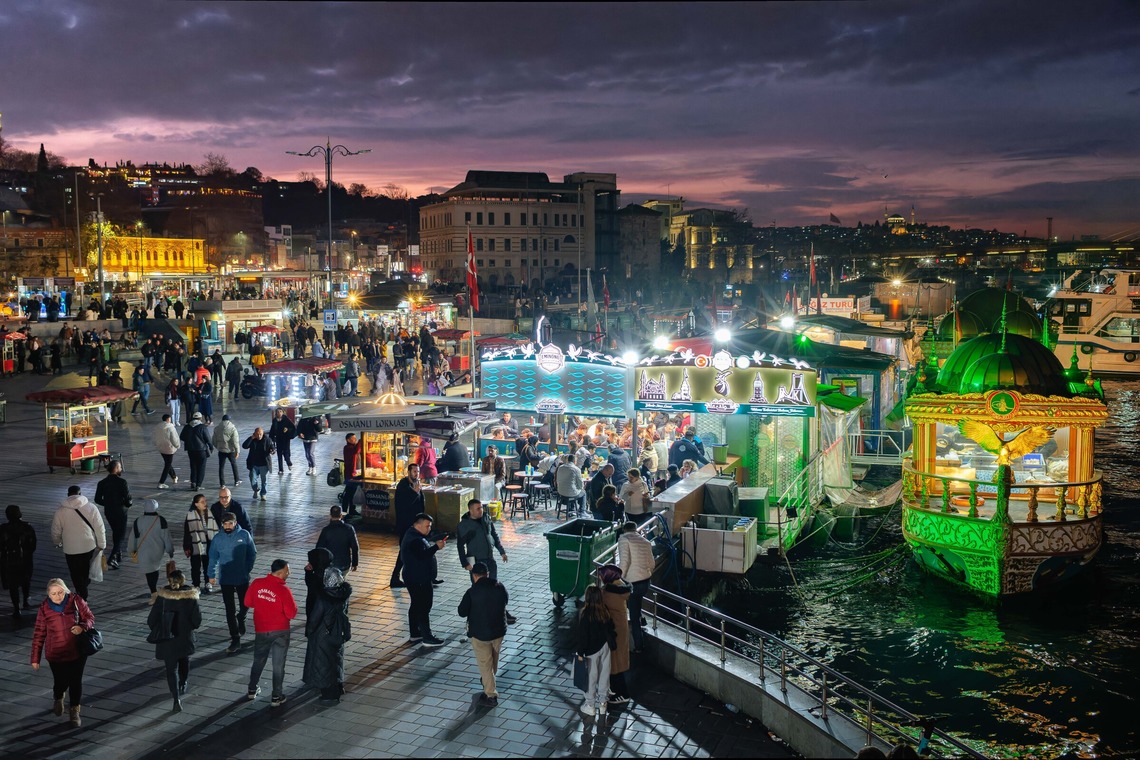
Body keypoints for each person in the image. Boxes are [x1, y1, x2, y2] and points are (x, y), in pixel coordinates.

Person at [31, 578, 95, 727]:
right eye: (53, 593)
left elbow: (90, 617)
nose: (57, 596)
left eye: (60, 592)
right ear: (48, 594)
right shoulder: (44, 609)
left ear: (65, 591)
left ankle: (74, 711)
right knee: (60, 681)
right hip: (56, 654)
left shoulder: (76, 600)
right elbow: (39, 634)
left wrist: (82, 627)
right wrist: (35, 658)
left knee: (75, 681)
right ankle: (58, 696)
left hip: (77, 651)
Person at [244, 559, 297, 707]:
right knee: (278, 665)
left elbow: (248, 602)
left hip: (262, 630)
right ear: (280, 573)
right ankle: (276, 696)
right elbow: (291, 614)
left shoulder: (257, 583)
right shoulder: (284, 590)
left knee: (258, 660)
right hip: (280, 631)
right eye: (287, 570)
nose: (289, 573)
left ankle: (252, 689)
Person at [147, 569, 202, 713]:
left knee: (171, 670)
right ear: (182, 581)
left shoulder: (162, 597)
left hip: (167, 639)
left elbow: (151, 620)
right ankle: (183, 682)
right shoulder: (190, 597)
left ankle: (176, 698)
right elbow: (197, 622)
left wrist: (162, 627)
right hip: (184, 638)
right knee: (184, 660)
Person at [303, 548, 352, 705]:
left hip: (323, 632)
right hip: (338, 630)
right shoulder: (341, 593)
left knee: (323, 662)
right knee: (336, 659)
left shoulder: (323, 598)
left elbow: (315, 618)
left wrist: (310, 631)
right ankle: (338, 687)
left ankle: (329, 694)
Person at [458, 561, 508, 707]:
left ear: (474, 576)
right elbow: (506, 600)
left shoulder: (471, 592)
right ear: (487, 574)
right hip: (499, 631)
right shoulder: (499, 586)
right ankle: (487, 681)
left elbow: (461, 612)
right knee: (493, 660)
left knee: (485, 664)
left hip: (480, 634)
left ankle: (491, 695)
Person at [208, 512, 257, 654]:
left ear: (235, 523)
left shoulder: (244, 535)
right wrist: (211, 575)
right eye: (225, 523)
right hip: (226, 579)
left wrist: (247, 569)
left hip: (242, 577)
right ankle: (235, 638)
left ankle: (241, 616)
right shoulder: (218, 539)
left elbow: (252, 553)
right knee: (229, 609)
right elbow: (212, 558)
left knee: (245, 604)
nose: (227, 526)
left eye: (230, 523)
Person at [50, 485, 106, 600]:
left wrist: (58, 542)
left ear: (68, 495)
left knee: (74, 572)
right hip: (88, 545)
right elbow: (100, 528)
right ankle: (83, 587)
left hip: (70, 548)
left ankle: (81, 592)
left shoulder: (61, 510)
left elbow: (55, 530)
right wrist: (102, 544)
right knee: (85, 568)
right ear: (80, 494)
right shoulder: (91, 507)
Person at [401, 513, 447, 648]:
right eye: (427, 526)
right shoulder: (415, 540)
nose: (429, 529)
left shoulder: (413, 535)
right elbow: (422, 555)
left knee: (416, 605)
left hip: (413, 576)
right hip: (419, 578)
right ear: (418, 525)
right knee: (423, 606)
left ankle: (415, 633)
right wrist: (436, 547)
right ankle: (427, 636)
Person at [575, 585, 617, 719]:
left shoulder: (585, 614)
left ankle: (590, 705)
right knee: (605, 675)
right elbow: (611, 628)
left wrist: (580, 653)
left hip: (591, 651)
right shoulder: (604, 611)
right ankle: (603, 704)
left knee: (591, 678)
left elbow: (582, 636)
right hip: (605, 647)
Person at [598, 564, 633, 705]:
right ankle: (617, 691)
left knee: (614, 664)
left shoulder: (608, 594)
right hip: (620, 630)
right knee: (616, 662)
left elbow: (597, 601)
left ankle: (622, 694)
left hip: (614, 632)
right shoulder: (620, 589)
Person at [127, 499, 174, 604]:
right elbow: (167, 537)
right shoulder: (161, 520)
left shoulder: (138, 520)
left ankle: (153, 592)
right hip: (157, 551)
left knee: (149, 572)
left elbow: (132, 537)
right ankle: (154, 592)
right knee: (154, 569)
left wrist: (131, 550)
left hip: (143, 552)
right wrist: (170, 550)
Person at [617, 522, 654, 653]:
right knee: (636, 603)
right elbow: (652, 563)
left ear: (624, 530)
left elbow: (624, 562)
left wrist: (619, 576)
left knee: (632, 613)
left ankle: (638, 646)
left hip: (633, 582)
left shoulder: (624, 539)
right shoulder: (645, 541)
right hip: (646, 581)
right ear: (635, 529)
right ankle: (642, 619)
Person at [390, 463, 425, 589]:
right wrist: (415, 493)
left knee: (418, 549)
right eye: (414, 471)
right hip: (406, 525)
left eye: (418, 471)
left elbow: (421, 503)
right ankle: (395, 577)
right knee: (404, 551)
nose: (416, 474)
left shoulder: (416, 485)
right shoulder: (403, 486)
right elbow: (404, 505)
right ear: (408, 472)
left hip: (417, 525)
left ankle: (425, 576)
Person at [94, 460, 133, 569]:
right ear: (116, 468)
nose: (121, 469)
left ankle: (118, 554)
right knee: (121, 535)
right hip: (121, 512)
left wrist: (108, 503)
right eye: (120, 467)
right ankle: (112, 558)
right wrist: (127, 504)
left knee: (116, 532)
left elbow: (97, 499)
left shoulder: (102, 483)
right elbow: (128, 500)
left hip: (109, 512)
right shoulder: (122, 482)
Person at [1, 504, 37, 617]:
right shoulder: (27, 527)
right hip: (25, 559)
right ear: (19, 514)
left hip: (9, 560)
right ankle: (26, 600)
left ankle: (16, 608)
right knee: (26, 580)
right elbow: (33, 545)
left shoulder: (2, 529)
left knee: (13, 585)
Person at [183, 494, 216, 594]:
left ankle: (208, 583)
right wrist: (187, 546)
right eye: (202, 502)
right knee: (195, 566)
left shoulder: (209, 513)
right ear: (196, 504)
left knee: (208, 564)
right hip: (195, 543)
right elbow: (187, 532)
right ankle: (196, 585)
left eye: (205, 501)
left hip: (208, 542)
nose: (205, 503)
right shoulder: (190, 515)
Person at [316, 506, 359, 574]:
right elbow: (355, 547)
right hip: (344, 563)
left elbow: (319, 548)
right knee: (341, 582)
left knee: (329, 583)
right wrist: (355, 563)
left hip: (329, 564)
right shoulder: (349, 529)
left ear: (330, 515)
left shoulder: (326, 530)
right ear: (341, 515)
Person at [180, 412, 214, 490]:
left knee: (193, 466)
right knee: (201, 467)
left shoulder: (187, 426)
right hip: (201, 450)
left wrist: (189, 440)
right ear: (200, 418)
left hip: (190, 450)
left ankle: (193, 482)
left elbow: (182, 437)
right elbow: (208, 438)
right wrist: (211, 447)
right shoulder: (202, 427)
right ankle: (198, 484)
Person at [242, 427, 274, 502]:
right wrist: (251, 438)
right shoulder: (252, 440)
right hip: (254, 464)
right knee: (252, 478)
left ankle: (263, 494)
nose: (259, 436)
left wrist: (272, 450)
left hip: (264, 464)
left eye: (260, 434)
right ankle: (256, 489)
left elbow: (272, 447)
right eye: (257, 434)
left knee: (264, 480)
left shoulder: (267, 440)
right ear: (254, 434)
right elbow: (244, 446)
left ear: (263, 433)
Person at [212, 414, 242, 488]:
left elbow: (213, 441)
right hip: (230, 450)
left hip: (221, 450)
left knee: (221, 467)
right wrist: (237, 451)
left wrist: (218, 447)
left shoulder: (217, 428)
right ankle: (236, 480)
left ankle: (222, 484)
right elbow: (235, 441)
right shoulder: (232, 428)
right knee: (234, 465)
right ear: (229, 420)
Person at [154, 413, 181, 489]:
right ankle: (161, 482)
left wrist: (156, 444)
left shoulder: (158, 427)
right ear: (168, 419)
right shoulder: (170, 427)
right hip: (169, 448)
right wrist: (177, 445)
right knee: (167, 465)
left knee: (168, 463)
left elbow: (154, 436)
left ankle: (174, 476)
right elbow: (174, 438)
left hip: (161, 447)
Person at [341, 433, 364, 517]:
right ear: (348, 440)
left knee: (351, 493)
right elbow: (356, 451)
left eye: (355, 438)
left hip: (355, 473)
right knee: (348, 493)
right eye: (353, 438)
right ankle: (344, 511)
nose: (355, 440)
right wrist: (361, 441)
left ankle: (351, 509)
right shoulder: (347, 448)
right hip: (350, 474)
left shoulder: (353, 447)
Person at [268, 409, 297, 474]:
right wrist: (271, 439)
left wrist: (287, 429)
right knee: (279, 454)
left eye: (280, 412)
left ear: (283, 412)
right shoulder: (275, 420)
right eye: (277, 412)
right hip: (278, 439)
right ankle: (280, 469)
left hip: (285, 439)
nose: (279, 413)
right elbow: (272, 429)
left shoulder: (286, 419)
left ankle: (289, 463)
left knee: (286, 453)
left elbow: (293, 428)